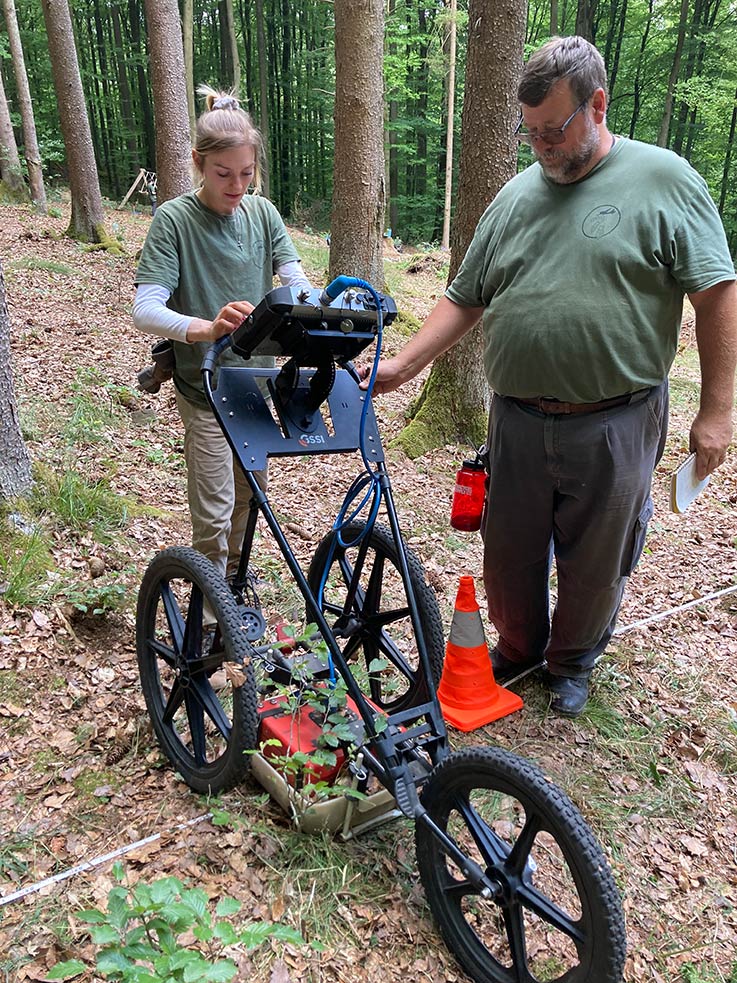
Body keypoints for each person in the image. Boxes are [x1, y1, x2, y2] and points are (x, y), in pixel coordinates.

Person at [363, 36, 737, 717]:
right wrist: (403, 365)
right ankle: (519, 645)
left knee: (597, 556)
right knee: (507, 550)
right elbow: (464, 294)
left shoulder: (664, 179)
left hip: (614, 417)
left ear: (595, 105)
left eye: (554, 130)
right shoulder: (514, 195)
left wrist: (717, 411)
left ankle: (570, 661)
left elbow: (715, 291)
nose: (540, 146)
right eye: (528, 132)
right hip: (516, 416)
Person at [133, 86, 311, 579]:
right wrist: (206, 329)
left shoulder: (264, 214)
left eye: (247, 174)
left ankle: (233, 587)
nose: (237, 186)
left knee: (251, 498)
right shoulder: (174, 220)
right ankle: (208, 617)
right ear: (198, 163)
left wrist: (316, 315)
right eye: (223, 174)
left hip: (256, 387)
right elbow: (146, 309)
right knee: (214, 510)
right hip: (205, 388)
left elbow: (296, 281)